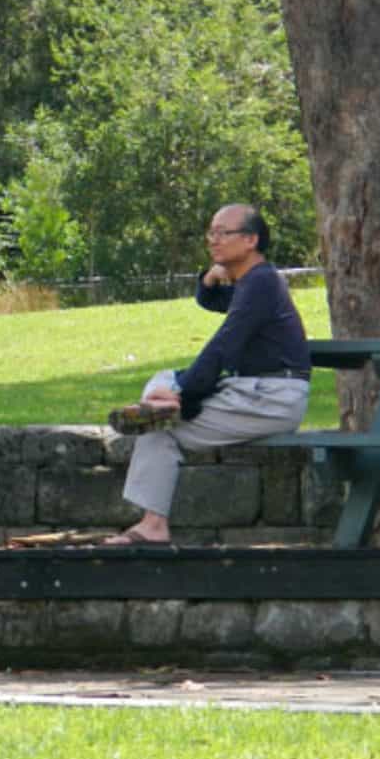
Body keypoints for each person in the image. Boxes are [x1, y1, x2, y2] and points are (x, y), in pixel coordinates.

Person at [103, 204, 310, 546]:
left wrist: (185, 392)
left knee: (160, 419)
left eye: (222, 233)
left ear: (250, 240)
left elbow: (223, 346)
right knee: (159, 402)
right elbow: (213, 302)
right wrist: (210, 279)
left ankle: (153, 523)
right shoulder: (253, 283)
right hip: (251, 393)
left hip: (271, 398)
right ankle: (153, 520)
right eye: (210, 232)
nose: (213, 240)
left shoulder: (262, 283)